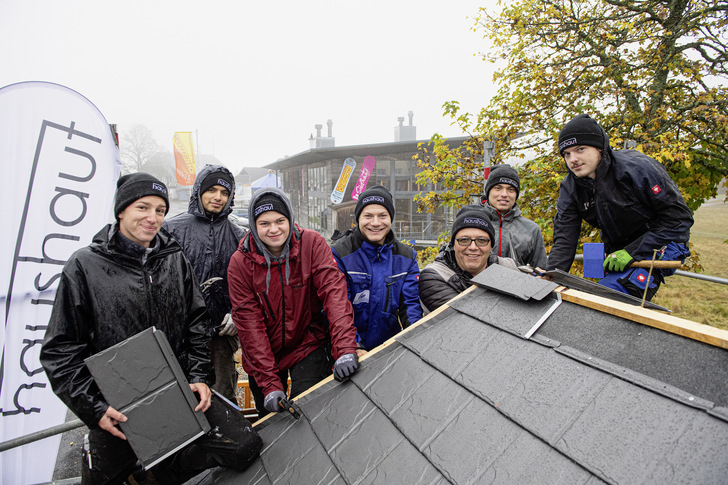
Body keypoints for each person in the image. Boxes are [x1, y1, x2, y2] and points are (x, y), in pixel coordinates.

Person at [40, 173, 261, 485]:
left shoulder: (174, 259)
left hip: (178, 390)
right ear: (121, 211)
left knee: (244, 446)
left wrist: (198, 377)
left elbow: (196, 323)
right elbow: (59, 351)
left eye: (160, 210)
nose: (152, 217)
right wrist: (95, 409)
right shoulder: (84, 266)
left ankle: (159, 474)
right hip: (118, 406)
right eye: (143, 207)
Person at [228, 187, 359, 418]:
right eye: (264, 223)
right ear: (254, 226)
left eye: (280, 220)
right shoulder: (240, 263)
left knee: (311, 410)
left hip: (306, 342)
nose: (274, 229)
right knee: (272, 418)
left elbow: (335, 297)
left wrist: (345, 349)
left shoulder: (312, 244)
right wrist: (269, 385)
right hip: (264, 350)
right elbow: (250, 326)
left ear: (290, 219)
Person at [547, 114, 693, 300]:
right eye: (567, 154)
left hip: (664, 241)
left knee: (611, 298)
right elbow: (565, 239)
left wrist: (632, 252)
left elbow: (679, 219)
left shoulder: (638, 169)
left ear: (600, 148)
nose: (573, 159)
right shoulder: (570, 187)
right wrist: (550, 275)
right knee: (583, 296)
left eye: (580, 149)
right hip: (619, 250)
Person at [164, 164, 243, 403]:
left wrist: (236, 312)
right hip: (179, 336)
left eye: (224, 192)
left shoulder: (238, 235)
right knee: (179, 399)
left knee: (222, 397)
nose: (218, 197)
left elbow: (249, 284)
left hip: (220, 334)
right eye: (212, 190)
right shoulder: (171, 230)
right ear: (199, 191)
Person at [331, 185, 422, 354]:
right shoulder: (340, 253)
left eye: (382, 216)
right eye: (368, 216)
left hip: (386, 350)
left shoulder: (407, 257)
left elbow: (410, 307)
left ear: (391, 218)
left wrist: (414, 342)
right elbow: (338, 307)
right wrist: (354, 347)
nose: (375, 223)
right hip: (346, 348)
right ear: (358, 218)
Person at [419, 205, 519, 312]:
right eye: (464, 240)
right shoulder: (435, 276)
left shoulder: (509, 267)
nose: (473, 247)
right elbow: (467, 317)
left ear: (491, 245)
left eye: (481, 240)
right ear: (453, 244)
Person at [482, 164, 548, 269]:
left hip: (517, 284)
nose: (504, 194)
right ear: (488, 192)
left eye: (510, 189)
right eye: (498, 188)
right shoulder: (472, 222)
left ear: (516, 194)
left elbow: (541, 270)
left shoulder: (531, 229)